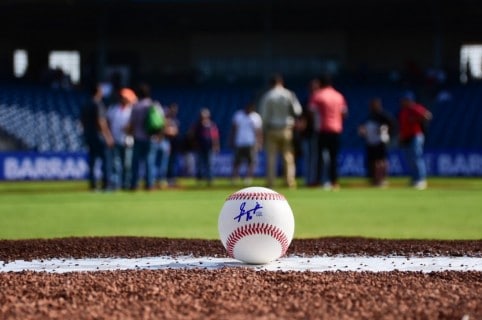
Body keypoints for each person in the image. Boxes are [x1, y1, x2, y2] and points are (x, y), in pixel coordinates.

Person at [259, 74, 302, 189]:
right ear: (281, 82)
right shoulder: (289, 94)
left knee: (271, 157)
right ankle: (289, 182)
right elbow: (298, 111)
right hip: (286, 129)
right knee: (288, 157)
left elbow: (263, 116)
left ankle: (270, 182)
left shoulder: (268, 96)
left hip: (272, 129)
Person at [309, 74, 348, 190]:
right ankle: (334, 181)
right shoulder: (338, 96)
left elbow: (311, 111)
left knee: (320, 157)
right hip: (336, 130)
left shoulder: (318, 95)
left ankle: (318, 181)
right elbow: (344, 113)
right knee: (334, 157)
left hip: (322, 130)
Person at [126, 83, 164, 191]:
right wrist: (160, 135)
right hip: (150, 137)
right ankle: (149, 184)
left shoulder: (135, 106)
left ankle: (134, 184)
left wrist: (129, 134)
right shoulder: (153, 105)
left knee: (135, 163)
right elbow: (161, 121)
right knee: (149, 161)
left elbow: (131, 124)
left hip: (137, 137)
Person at [80, 83, 114, 191]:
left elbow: (82, 121)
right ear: (98, 92)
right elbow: (101, 122)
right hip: (99, 136)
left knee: (93, 161)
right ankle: (106, 184)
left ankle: (93, 184)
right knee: (106, 160)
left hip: (89, 135)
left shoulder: (85, 104)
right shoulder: (98, 104)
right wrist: (108, 136)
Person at [398, 92, 432, 190]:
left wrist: (417, 119)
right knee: (410, 159)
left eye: (405, 100)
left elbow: (428, 116)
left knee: (416, 157)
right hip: (406, 137)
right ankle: (414, 179)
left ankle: (421, 180)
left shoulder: (415, 108)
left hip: (416, 136)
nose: (403, 102)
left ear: (410, 100)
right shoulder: (403, 111)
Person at [358, 98, 395, 187]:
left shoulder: (383, 116)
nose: (372, 107)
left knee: (381, 161)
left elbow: (392, 126)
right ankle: (374, 179)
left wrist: (385, 132)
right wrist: (363, 131)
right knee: (372, 161)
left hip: (380, 141)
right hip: (370, 142)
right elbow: (363, 128)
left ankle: (382, 179)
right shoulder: (369, 116)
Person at [106, 87, 137, 190]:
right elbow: (108, 124)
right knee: (116, 164)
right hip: (115, 140)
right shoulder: (113, 109)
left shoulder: (132, 110)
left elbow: (135, 125)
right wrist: (109, 137)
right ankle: (116, 184)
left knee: (127, 165)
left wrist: (129, 128)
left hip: (127, 141)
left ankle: (126, 184)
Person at [229, 102, 263, 186]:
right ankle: (235, 178)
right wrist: (231, 140)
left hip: (251, 143)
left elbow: (258, 131)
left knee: (251, 162)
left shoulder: (256, 117)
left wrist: (259, 142)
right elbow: (233, 129)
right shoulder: (238, 115)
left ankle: (248, 178)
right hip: (239, 142)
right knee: (237, 162)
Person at [188, 108, 220, 186]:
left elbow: (215, 137)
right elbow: (191, 135)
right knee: (199, 164)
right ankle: (199, 179)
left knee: (209, 164)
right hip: (199, 148)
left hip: (209, 148)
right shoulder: (197, 125)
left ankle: (210, 179)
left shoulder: (211, 125)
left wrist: (216, 146)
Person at [164, 103, 181, 187]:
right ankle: (165, 179)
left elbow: (176, 132)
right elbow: (166, 131)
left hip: (175, 144)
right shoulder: (165, 119)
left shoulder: (175, 120)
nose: (174, 111)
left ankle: (172, 179)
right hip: (167, 143)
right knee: (167, 163)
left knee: (173, 163)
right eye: (172, 109)